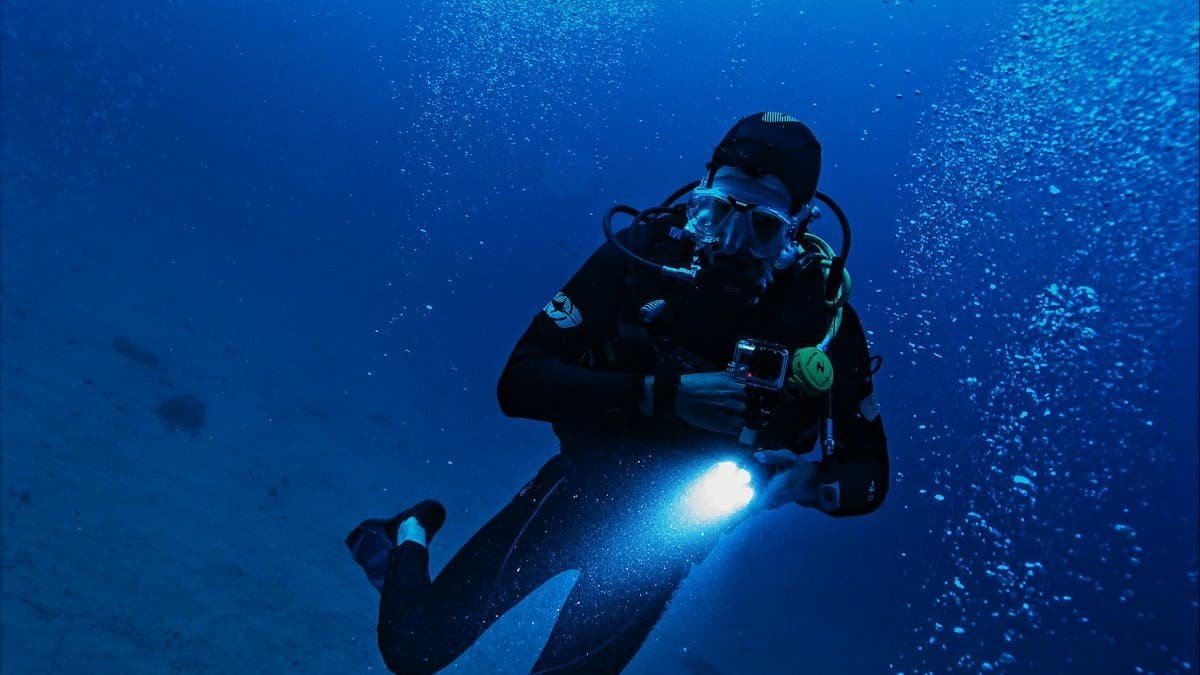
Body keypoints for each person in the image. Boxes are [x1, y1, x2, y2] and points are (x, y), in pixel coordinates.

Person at [345, 112, 890, 674]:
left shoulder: (820, 321)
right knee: (413, 653)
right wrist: (663, 394)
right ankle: (408, 531)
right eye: (719, 211)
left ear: (798, 225)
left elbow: (870, 476)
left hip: (666, 543)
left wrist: (801, 483)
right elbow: (519, 383)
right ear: (700, 196)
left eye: (762, 226)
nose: (731, 241)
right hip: (576, 491)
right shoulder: (643, 259)